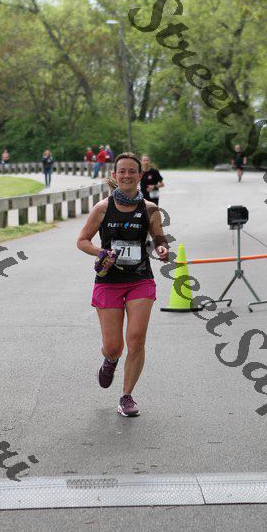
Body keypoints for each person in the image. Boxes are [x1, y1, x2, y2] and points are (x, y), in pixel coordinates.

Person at [77, 152, 169, 417]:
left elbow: (159, 239)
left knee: (136, 339)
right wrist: (101, 253)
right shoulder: (102, 208)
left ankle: (127, 396)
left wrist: (162, 249)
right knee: (114, 345)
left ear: (140, 176)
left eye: (132, 171)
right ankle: (111, 359)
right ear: (115, 175)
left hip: (140, 279)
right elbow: (82, 240)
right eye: (122, 171)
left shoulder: (150, 209)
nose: (127, 175)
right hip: (109, 281)